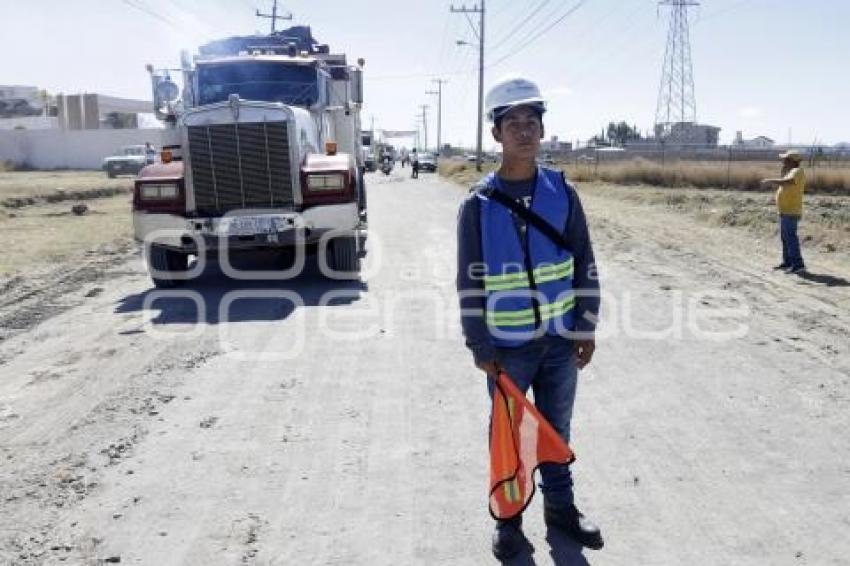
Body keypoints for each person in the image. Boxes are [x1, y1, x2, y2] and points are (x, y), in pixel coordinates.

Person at [456, 76, 603, 560]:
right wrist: (480, 346)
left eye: (531, 121)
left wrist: (586, 322)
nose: (524, 130)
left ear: (541, 130)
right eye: (512, 122)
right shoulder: (476, 205)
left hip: (561, 341)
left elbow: (584, 258)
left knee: (556, 433)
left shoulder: (563, 191)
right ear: (495, 134)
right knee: (509, 440)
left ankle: (561, 511)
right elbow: (469, 282)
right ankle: (509, 522)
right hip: (507, 348)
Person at [761, 150, 806, 274]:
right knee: (785, 238)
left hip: (791, 211)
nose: (783, 161)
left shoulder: (797, 171)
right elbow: (785, 187)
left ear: (792, 160)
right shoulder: (790, 172)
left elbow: (789, 182)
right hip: (785, 210)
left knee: (790, 237)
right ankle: (788, 262)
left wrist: (771, 180)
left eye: (785, 159)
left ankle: (798, 264)